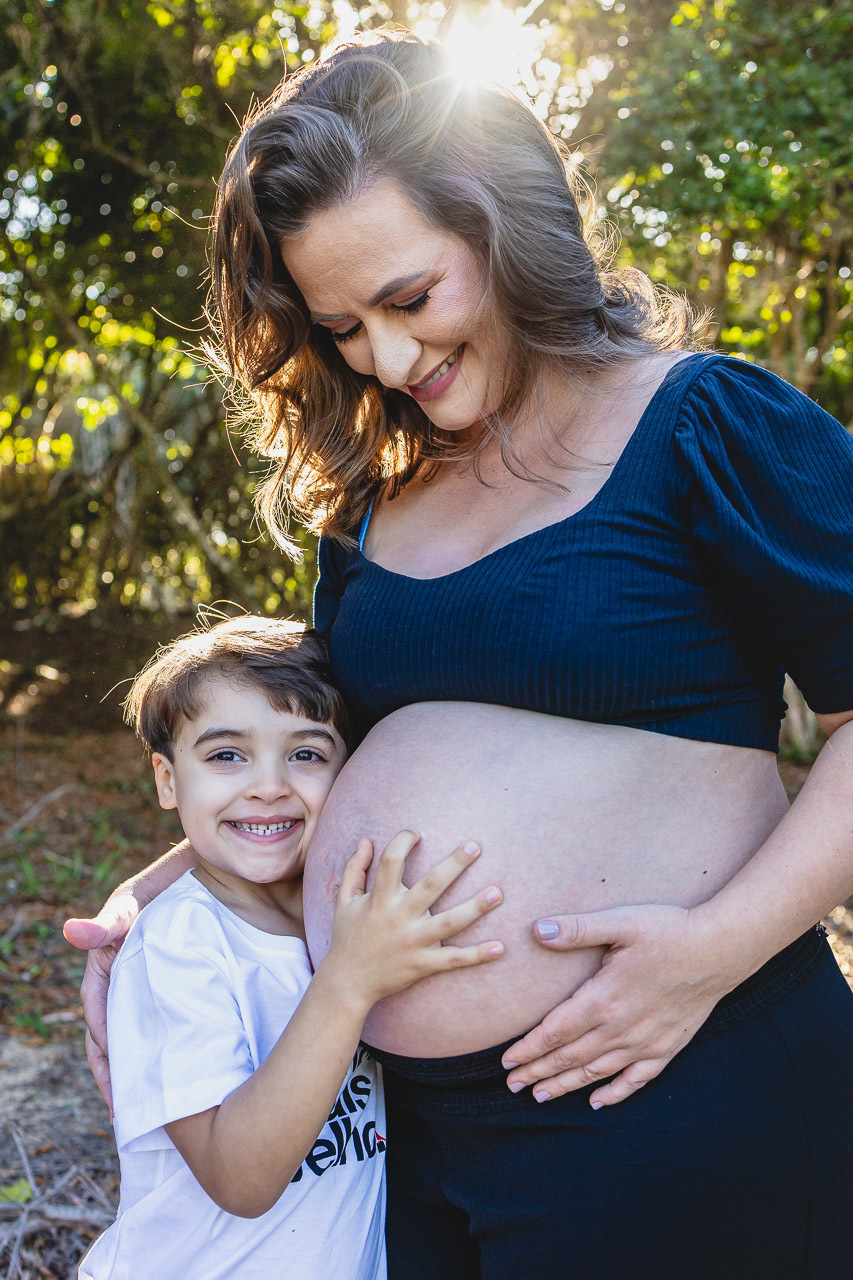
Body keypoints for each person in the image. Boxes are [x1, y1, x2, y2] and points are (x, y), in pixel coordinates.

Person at [65, 30, 853, 1279]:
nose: (385, 357)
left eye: (409, 298)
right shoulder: (368, 505)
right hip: (411, 1134)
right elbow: (336, 756)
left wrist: (712, 953)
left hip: (670, 1077)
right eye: (339, 327)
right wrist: (151, 895)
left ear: (504, 230)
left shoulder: (701, 422)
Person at [75, 615, 503, 1280]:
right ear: (167, 780)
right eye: (225, 755)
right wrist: (349, 981)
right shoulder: (180, 946)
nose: (268, 785)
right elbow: (239, 1179)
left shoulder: (334, 915)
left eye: (306, 753)